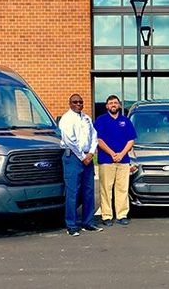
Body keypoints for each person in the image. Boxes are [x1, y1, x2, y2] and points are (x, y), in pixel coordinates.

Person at [59, 94, 103, 237]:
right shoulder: (67, 119)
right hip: (73, 157)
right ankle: (71, 225)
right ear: (70, 103)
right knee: (73, 192)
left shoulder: (86, 118)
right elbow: (69, 140)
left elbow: (94, 136)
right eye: (75, 102)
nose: (78, 104)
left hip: (87, 158)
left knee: (89, 191)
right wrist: (83, 156)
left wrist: (90, 153)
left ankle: (88, 222)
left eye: (80, 102)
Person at [94, 95, 137, 227]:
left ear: (119, 105)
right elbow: (98, 140)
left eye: (116, 103)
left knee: (122, 189)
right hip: (106, 160)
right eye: (111, 103)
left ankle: (121, 214)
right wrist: (112, 153)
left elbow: (131, 140)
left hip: (123, 160)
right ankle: (107, 215)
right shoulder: (101, 120)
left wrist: (121, 154)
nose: (113, 105)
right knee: (106, 189)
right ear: (107, 106)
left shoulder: (125, 121)